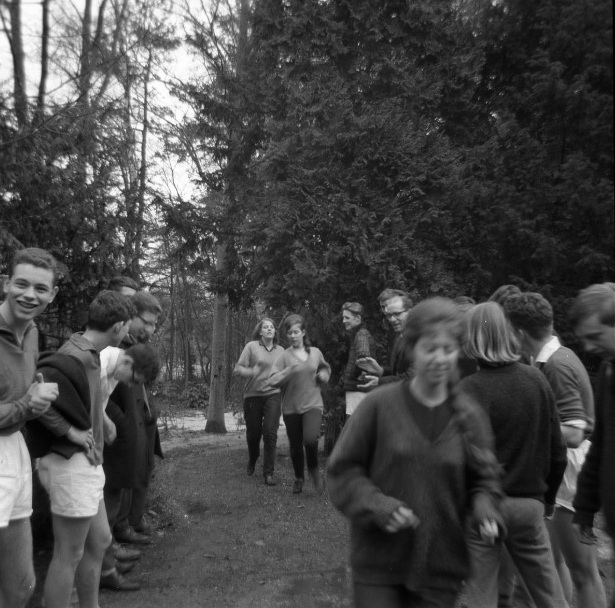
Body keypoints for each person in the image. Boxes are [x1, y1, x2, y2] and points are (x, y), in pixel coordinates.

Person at [327, 297, 502, 608]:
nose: (439, 359)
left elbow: (484, 480)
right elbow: (342, 470)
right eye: (429, 349)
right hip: (378, 563)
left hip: (440, 566)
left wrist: (485, 508)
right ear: (411, 350)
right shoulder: (379, 406)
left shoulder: (469, 416)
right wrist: (376, 505)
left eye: (447, 349)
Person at [460, 302, 569, 608]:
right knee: (550, 595)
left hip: (484, 509)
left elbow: (463, 459)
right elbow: (557, 451)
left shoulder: (469, 390)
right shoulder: (536, 380)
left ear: (470, 340)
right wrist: (546, 502)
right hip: (528, 505)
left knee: (484, 595)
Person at [506, 292, 606, 608]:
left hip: (572, 472)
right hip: (562, 470)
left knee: (583, 570)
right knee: (554, 563)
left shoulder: (557, 365)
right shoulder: (548, 360)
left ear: (520, 333)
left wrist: (526, 432)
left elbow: (575, 431)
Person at [36, 290, 134, 608]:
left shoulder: (90, 352)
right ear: (118, 326)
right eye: (128, 327)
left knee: (100, 540)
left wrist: (100, 422)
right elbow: (39, 397)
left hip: (88, 462)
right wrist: (71, 432)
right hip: (69, 462)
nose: (128, 333)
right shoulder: (74, 355)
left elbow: (82, 401)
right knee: (69, 553)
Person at [0, 247, 59, 608]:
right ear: (6, 283)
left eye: (40, 289)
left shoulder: (33, 332)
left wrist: (34, 401)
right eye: (21, 284)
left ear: (51, 296)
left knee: (21, 586)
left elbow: (21, 398)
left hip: (15, 450)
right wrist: (27, 403)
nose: (29, 295)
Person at [102, 292, 163, 567]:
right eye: (146, 323)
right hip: (120, 426)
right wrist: (120, 418)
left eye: (154, 325)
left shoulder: (138, 344)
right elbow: (100, 393)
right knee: (114, 485)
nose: (150, 330)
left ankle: (125, 527)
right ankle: (108, 549)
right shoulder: (115, 346)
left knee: (136, 474)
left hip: (139, 422)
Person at [569, 284, 615, 565]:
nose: (588, 347)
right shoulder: (608, 372)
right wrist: (585, 509)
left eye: (595, 336)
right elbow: (600, 445)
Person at [269, 314, 331, 494]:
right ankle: (298, 477)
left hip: (313, 405)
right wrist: (289, 371)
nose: (293, 336)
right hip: (291, 408)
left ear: (303, 332)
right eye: (289, 333)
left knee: (311, 439)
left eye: (296, 332)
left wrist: (325, 375)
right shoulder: (283, 357)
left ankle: (314, 472)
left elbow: (325, 367)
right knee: (295, 445)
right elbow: (272, 380)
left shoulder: (316, 352)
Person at [233, 318, 284, 486]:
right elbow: (237, 369)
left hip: (273, 395)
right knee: (253, 434)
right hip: (252, 395)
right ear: (260, 332)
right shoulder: (251, 347)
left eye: (272, 327)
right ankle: (253, 457)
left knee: (270, 433)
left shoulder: (281, 351)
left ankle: (268, 473)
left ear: (275, 332)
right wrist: (251, 371)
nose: (269, 329)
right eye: (266, 327)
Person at [356, 292, 414, 387]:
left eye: (397, 314)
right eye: (389, 315)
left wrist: (380, 381)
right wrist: (381, 371)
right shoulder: (399, 336)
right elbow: (397, 372)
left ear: (411, 311)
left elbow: (413, 377)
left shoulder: (421, 338)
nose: (392, 319)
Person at [340, 302, 377, 417]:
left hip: (358, 391)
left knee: (354, 430)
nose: (343, 321)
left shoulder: (361, 335)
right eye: (343, 317)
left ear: (358, 318)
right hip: (358, 390)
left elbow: (364, 359)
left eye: (347, 317)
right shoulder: (359, 334)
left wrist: (354, 377)